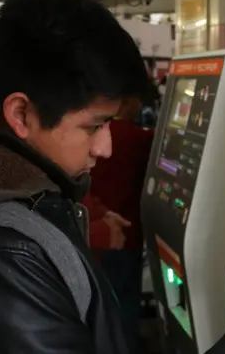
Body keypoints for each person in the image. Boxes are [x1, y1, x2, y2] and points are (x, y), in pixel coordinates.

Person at [0, 0, 225, 353]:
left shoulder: (37, 204)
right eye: (93, 126)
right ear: (21, 114)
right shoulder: (13, 252)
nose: (105, 147)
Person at [82, 96, 154, 354]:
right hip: (122, 236)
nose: (103, 149)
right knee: (122, 308)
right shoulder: (138, 139)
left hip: (106, 236)